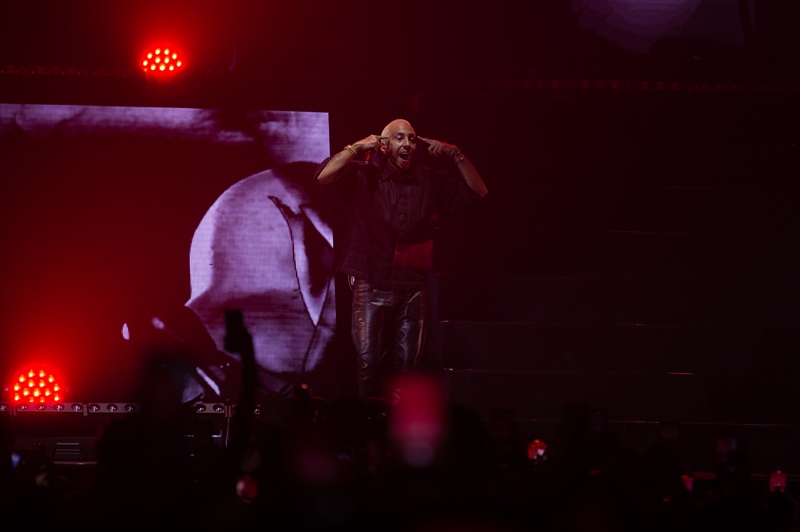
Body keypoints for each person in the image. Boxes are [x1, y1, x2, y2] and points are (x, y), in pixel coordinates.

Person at [315, 118, 488, 400]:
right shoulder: (365, 175)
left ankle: (397, 421)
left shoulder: (429, 180)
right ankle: (369, 420)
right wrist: (357, 147)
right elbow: (324, 176)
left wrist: (454, 153)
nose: (407, 143)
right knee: (368, 360)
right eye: (399, 138)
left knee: (409, 363)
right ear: (384, 146)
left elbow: (479, 191)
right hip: (371, 279)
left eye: (412, 138)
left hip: (412, 284)